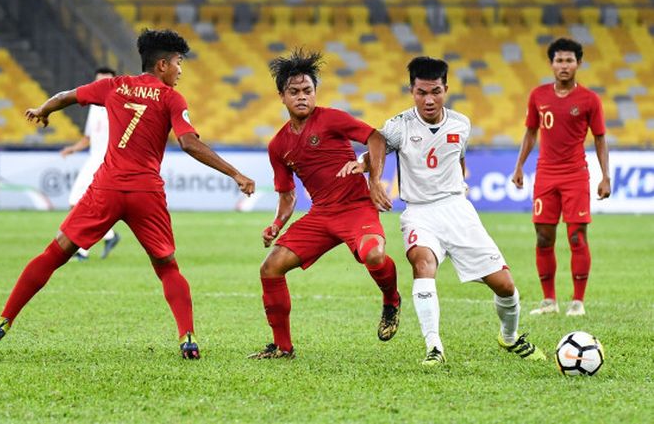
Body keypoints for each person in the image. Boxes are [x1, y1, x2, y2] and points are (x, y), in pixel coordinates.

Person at [0, 29, 255, 359]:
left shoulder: (114, 86)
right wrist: (235, 173)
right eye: (179, 63)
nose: (181, 70)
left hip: (106, 188)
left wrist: (44, 110)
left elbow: (67, 95)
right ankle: (188, 338)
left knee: (54, 253)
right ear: (163, 64)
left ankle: (2, 322)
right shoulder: (171, 98)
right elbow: (188, 142)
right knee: (167, 267)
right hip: (145, 193)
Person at [339, 56, 546, 366]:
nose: (429, 99)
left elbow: (458, 154)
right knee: (422, 264)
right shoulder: (400, 126)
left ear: (446, 89)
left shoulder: (461, 124)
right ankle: (433, 346)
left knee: (505, 285)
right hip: (419, 212)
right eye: (421, 92)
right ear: (412, 91)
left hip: (457, 209)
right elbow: (378, 143)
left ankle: (510, 336)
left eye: (435, 91)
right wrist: (366, 167)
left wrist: (461, 181)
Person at [249, 49, 401, 359]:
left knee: (373, 255)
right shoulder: (278, 145)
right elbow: (288, 195)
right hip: (321, 215)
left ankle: (391, 300)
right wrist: (277, 224)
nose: (302, 97)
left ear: (315, 93)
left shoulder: (331, 118)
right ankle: (283, 347)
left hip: (356, 207)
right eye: (294, 92)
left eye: (308, 90)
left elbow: (375, 138)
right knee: (271, 268)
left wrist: (374, 181)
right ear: (282, 96)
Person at [512, 37, 610, 317]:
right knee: (544, 237)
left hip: (575, 176)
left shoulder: (590, 99)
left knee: (577, 236)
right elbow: (531, 132)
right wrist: (519, 166)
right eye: (559, 60)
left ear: (578, 63)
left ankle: (577, 301)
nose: (564, 65)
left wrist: (606, 176)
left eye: (569, 60)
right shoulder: (538, 95)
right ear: (551, 64)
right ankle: (549, 301)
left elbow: (600, 138)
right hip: (545, 175)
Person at [60, 67, 121, 261]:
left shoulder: (119, 106)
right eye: (98, 81)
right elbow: (88, 138)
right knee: (82, 203)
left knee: (79, 202)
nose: (100, 85)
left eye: (105, 81)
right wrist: (73, 149)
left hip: (107, 162)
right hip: (93, 159)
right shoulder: (94, 107)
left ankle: (82, 249)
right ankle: (109, 236)